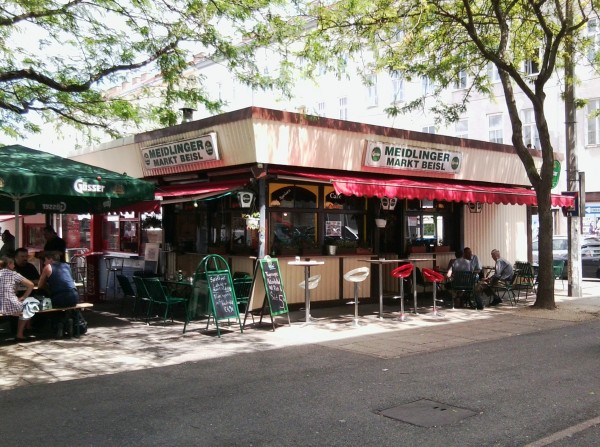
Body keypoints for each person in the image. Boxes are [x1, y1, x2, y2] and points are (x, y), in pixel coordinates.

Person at [0, 256, 36, 341]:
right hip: (11, 305)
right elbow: (31, 285)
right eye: (13, 263)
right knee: (28, 307)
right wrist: (23, 297)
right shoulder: (14, 274)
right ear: (9, 264)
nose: (14, 266)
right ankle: (20, 334)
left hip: (1, 306)